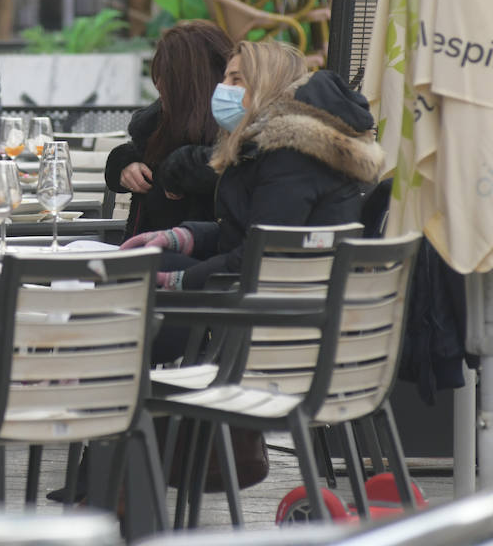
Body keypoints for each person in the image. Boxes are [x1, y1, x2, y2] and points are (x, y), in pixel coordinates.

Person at [123, 42, 383, 360]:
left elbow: (260, 253)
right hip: (272, 303)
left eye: (236, 80)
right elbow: (250, 232)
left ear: (266, 85)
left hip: (277, 321)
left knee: (137, 286)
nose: (222, 89)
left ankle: (104, 383)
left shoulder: (291, 155)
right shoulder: (273, 148)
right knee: (145, 270)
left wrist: (179, 279)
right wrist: (182, 236)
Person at [104, 21, 234, 240]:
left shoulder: (232, 133)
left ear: (193, 81)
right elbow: (139, 151)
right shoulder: (160, 122)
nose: (158, 85)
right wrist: (125, 163)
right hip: (143, 258)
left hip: (185, 265)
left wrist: (176, 169)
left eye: (167, 77)